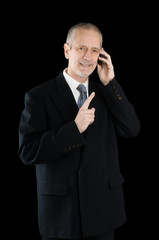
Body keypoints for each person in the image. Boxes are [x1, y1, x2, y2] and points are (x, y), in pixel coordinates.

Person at [18, 22, 140, 240]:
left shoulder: (106, 93)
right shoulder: (38, 96)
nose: (88, 56)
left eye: (95, 50)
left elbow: (132, 128)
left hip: (103, 210)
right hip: (62, 213)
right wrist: (74, 129)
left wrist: (110, 83)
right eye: (81, 48)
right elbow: (28, 152)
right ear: (67, 50)